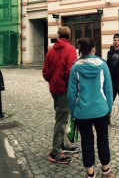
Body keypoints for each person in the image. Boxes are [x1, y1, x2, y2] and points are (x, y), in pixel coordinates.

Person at [68, 38, 115, 178]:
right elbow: (108, 90)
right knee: (103, 139)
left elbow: (71, 94)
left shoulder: (75, 67)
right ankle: (106, 170)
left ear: (81, 50)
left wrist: (73, 112)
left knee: (86, 141)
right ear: (94, 49)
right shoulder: (103, 65)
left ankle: (90, 173)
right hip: (101, 110)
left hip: (82, 112)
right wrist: (109, 108)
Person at [42, 26, 79, 164]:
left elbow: (45, 72)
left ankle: (64, 144)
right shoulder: (70, 50)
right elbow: (71, 72)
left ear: (58, 36)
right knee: (62, 120)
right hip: (64, 90)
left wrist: (53, 81)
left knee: (62, 117)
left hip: (54, 90)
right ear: (69, 36)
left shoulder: (51, 51)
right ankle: (55, 151)